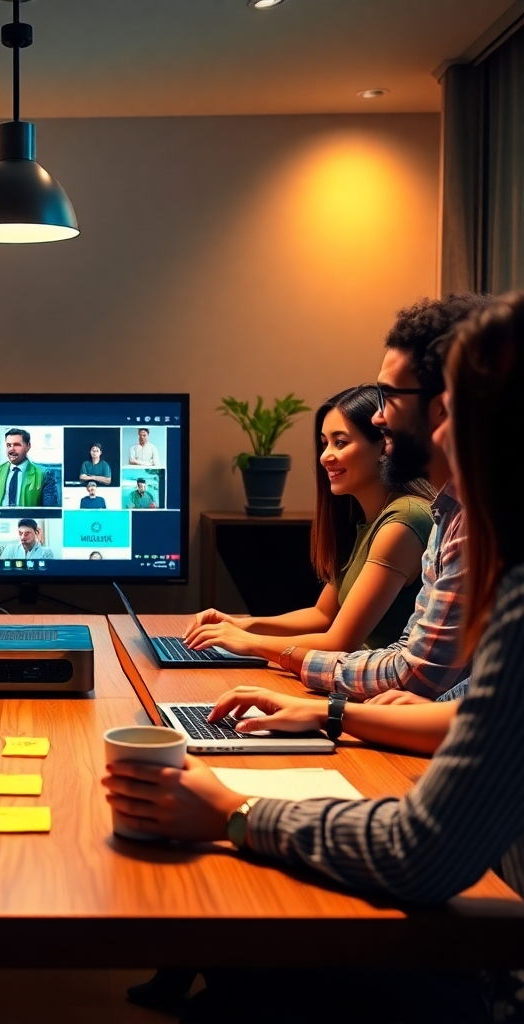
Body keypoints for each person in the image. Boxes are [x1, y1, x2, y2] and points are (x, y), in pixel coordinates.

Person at [107, 293, 524, 1020]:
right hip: (490, 924)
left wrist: (236, 814)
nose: (387, 418)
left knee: (238, 962)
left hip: (498, 974)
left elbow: (425, 852)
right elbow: (467, 705)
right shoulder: (461, 527)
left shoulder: (467, 548)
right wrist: (339, 710)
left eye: (447, 404)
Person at [232, 295, 486, 701]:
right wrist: (239, 628)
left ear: (442, 408)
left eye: (389, 397)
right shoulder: (447, 515)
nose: (379, 417)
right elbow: (425, 673)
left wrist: (270, 651)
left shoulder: (446, 520)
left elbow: (413, 676)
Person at [184, 385, 434, 662]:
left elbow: (340, 641)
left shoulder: (403, 521)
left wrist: (248, 642)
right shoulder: (368, 521)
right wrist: (238, 625)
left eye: (340, 442)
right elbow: (322, 615)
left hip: (379, 691)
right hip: (351, 677)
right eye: (324, 442)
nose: (325, 455)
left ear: (383, 446)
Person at [0, 428, 59, 507]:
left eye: (17, 445)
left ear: (28, 446)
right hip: (0, 518)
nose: (11, 449)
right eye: (9, 445)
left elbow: (50, 510)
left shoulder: (44, 474)